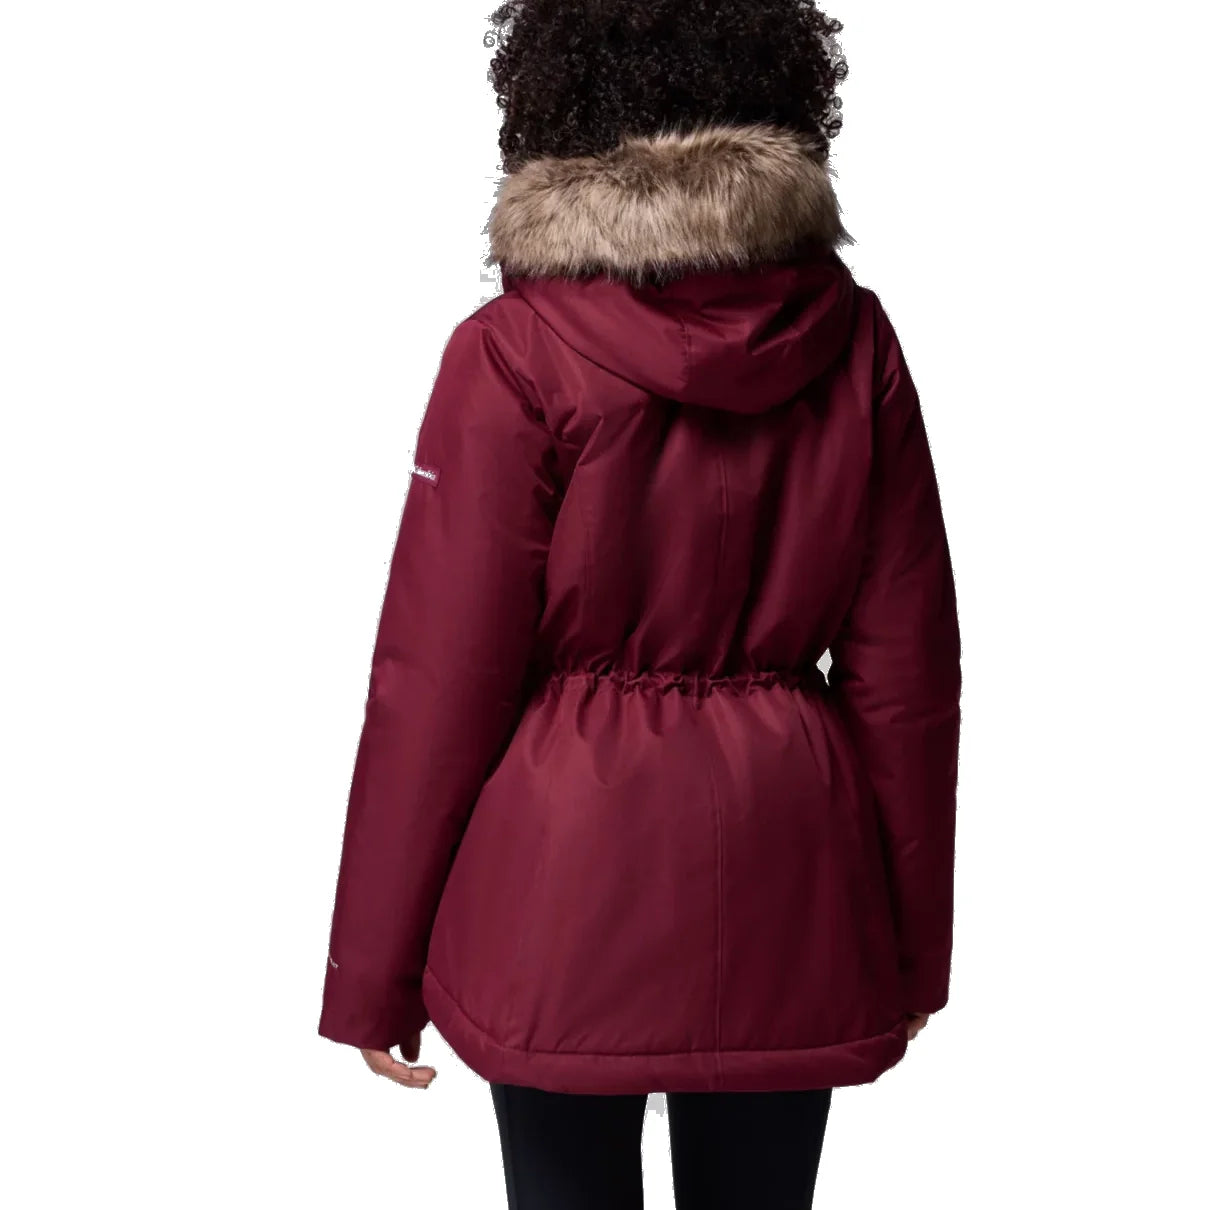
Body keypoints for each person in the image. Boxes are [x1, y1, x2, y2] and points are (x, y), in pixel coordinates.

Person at [318, 1, 962, 1206]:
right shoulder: (854, 340)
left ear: (553, 109)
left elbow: (436, 682)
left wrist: (371, 970)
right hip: (790, 864)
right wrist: (909, 949)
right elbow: (908, 681)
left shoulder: (512, 349)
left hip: (561, 876)